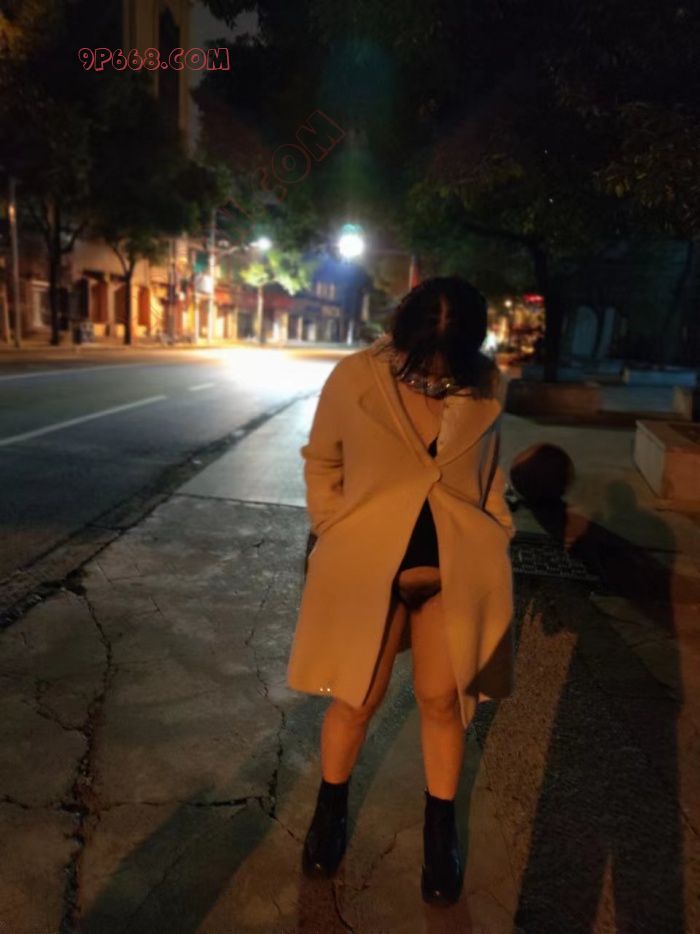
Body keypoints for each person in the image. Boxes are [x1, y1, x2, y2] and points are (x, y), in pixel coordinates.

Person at [286, 276, 515, 906]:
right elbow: (322, 460)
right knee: (356, 699)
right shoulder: (356, 377)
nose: (435, 371)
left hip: (454, 570)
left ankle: (440, 834)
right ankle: (330, 811)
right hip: (370, 570)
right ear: (402, 332)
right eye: (424, 355)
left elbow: (491, 475)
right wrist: (333, 528)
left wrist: (498, 532)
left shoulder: (487, 384)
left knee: (442, 702)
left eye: (447, 359)